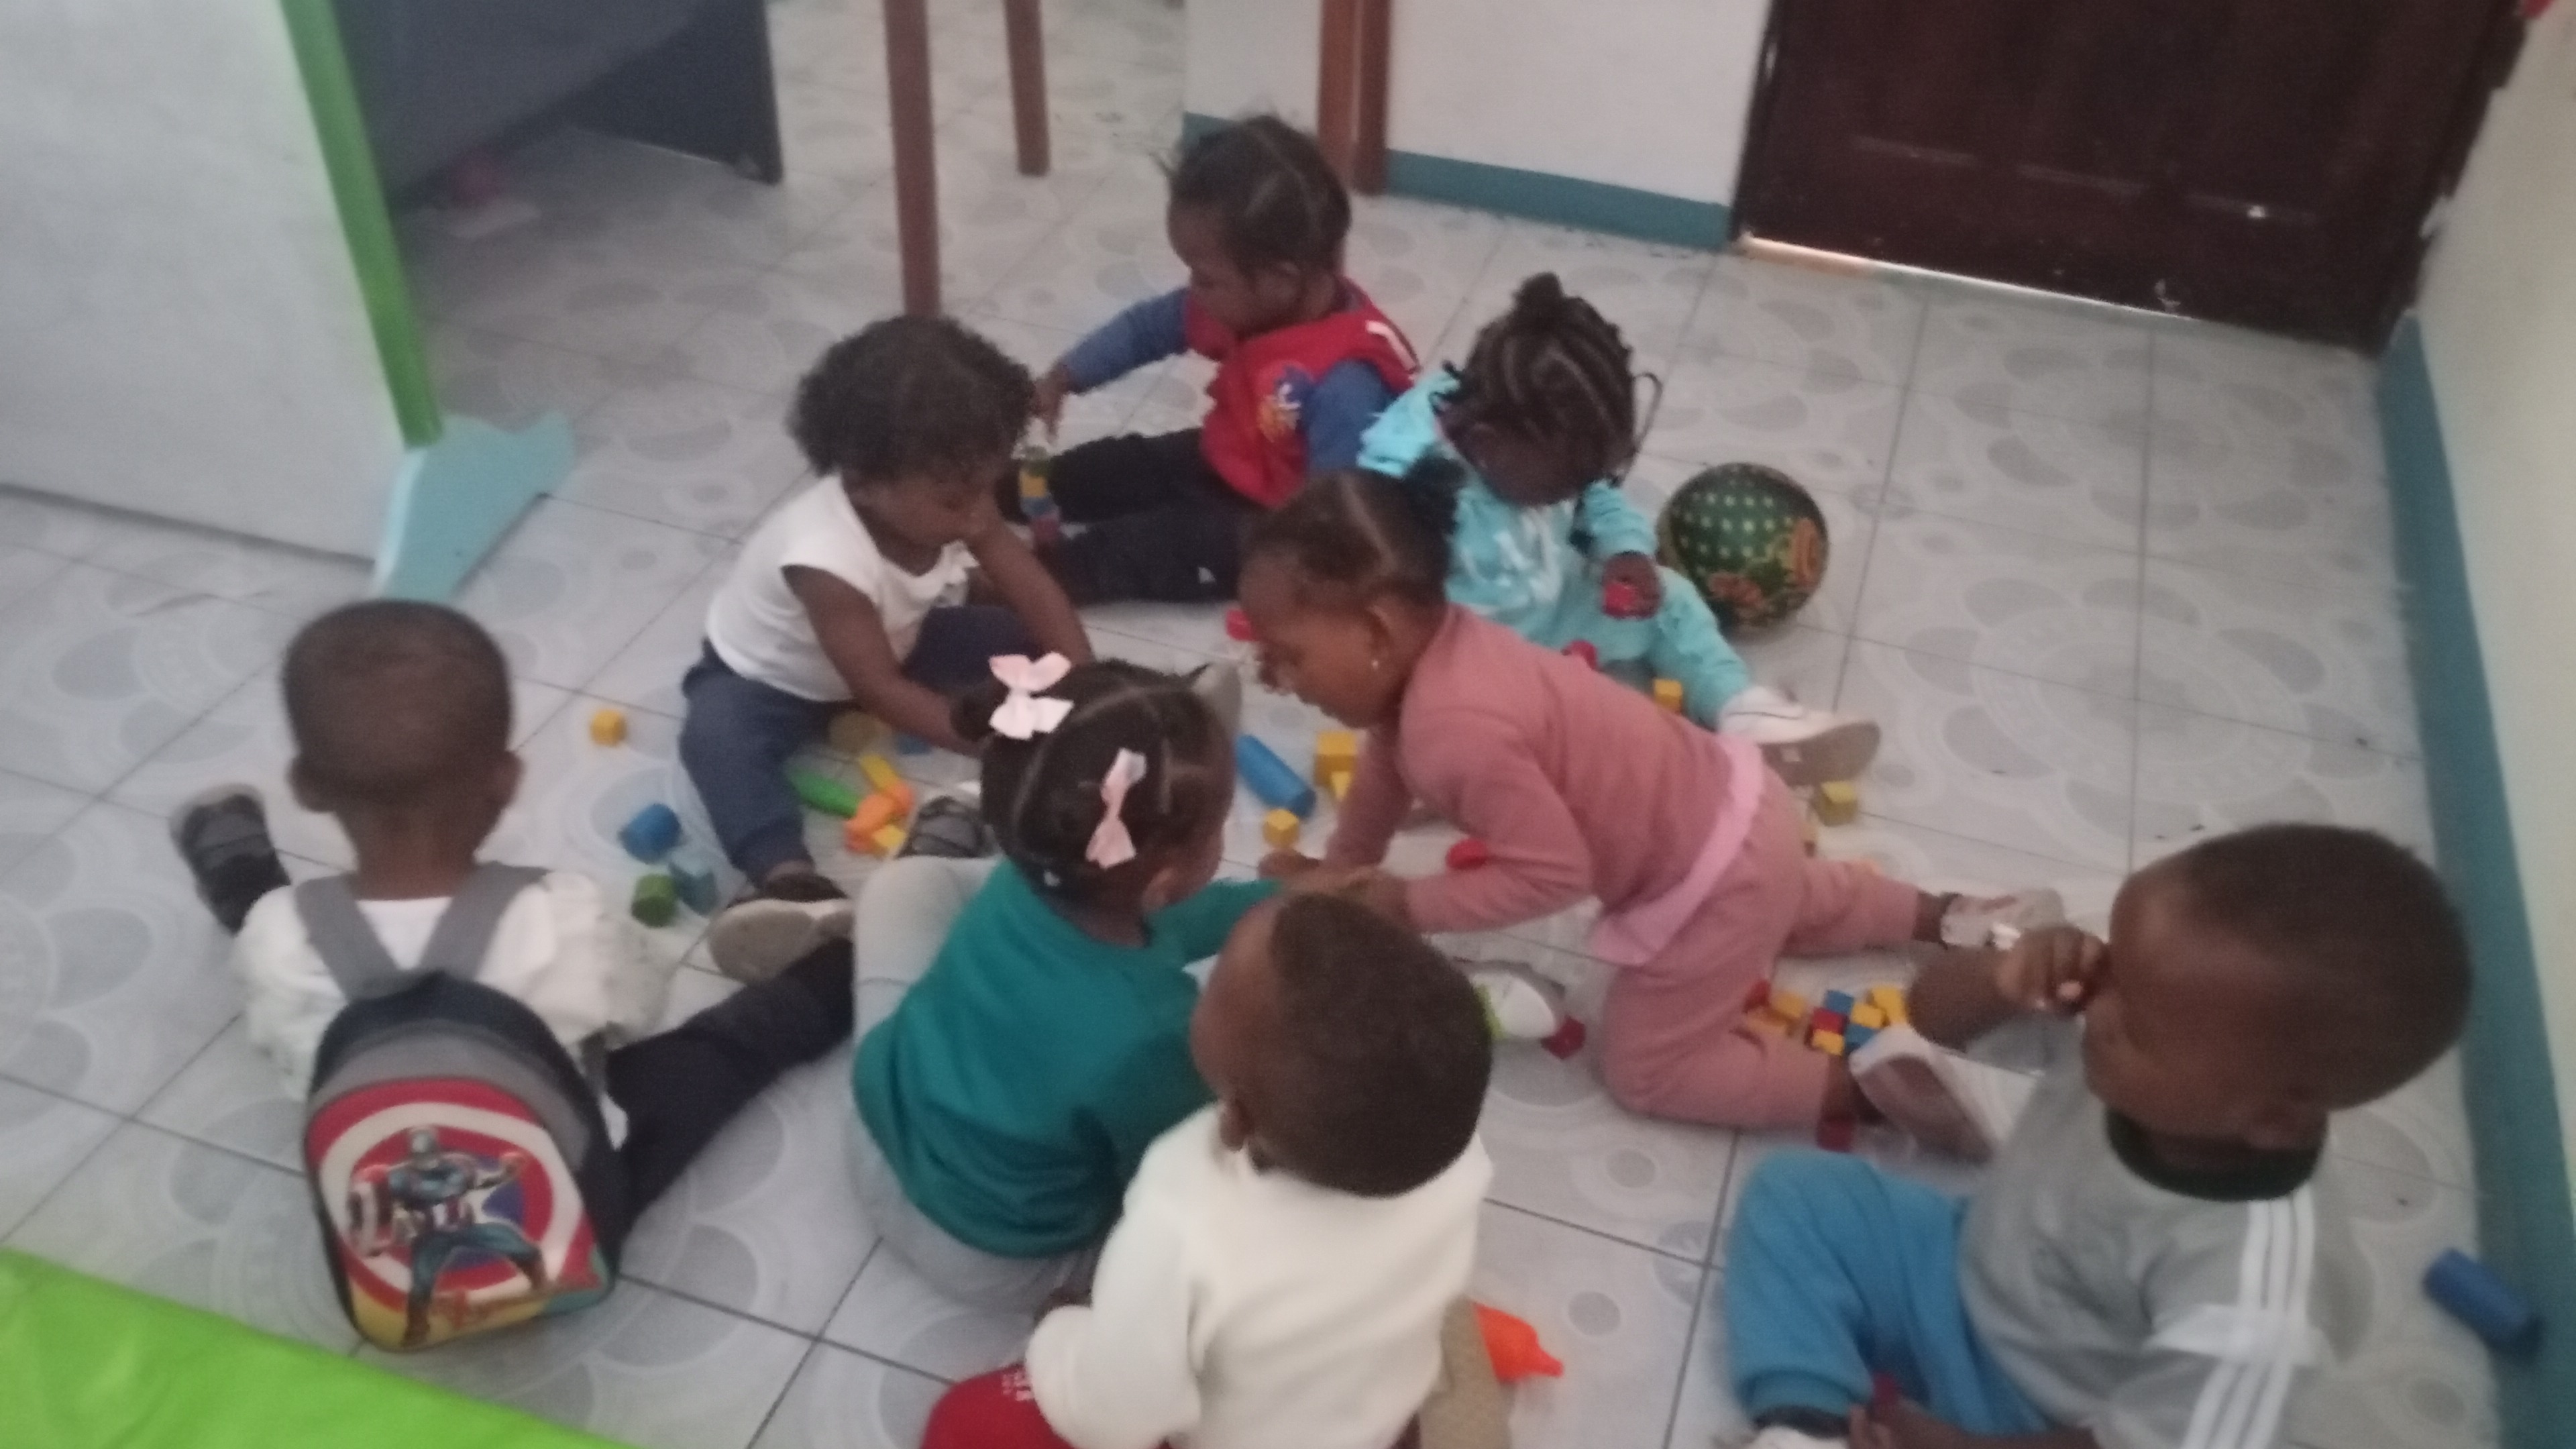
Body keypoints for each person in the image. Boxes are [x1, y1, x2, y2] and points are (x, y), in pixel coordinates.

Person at [1240, 469, 2059, 1135]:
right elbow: (1384, 770)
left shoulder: (1456, 729)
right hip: (1743, 807)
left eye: (1287, 655)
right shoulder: (1444, 651)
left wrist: (1408, 904)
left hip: (1707, 880)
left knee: (1646, 1069)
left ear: (1377, 632)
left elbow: (1553, 875)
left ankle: (1875, 1090)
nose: (1273, 680)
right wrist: (1339, 868)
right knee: (1791, 898)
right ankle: (1956, 918)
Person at [1720, 824, 2471, 1449]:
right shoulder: (2146, 1020)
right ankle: (1808, 1426)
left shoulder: (2260, 1299)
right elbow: (1930, 1016)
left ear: (2274, 1117)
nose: (2099, 1011)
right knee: (1800, 1195)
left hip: (2056, 1417)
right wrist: (2001, 979)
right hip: (1964, 1268)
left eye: (2137, 1026)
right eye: (2115, 968)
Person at [168, 600, 853, 1225]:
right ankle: (842, 970)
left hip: (389, 1232)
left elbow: (294, 1063)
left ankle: (242, 880)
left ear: (306, 789)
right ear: (507, 780)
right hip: (568, 1219)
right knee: (726, 1050)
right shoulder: (566, 917)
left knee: (278, 932)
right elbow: (640, 1012)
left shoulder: (277, 940)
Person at [920, 892, 1494, 1449]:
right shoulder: (1454, 1155)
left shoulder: (1182, 1222)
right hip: (1373, 1421)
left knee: (963, 1419)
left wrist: (1061, 1336)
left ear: (1237, 1118)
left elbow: (1113, 1421)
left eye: (1214, 984)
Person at [848, 657, 1277, 1309]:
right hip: (988, 1252)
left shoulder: (1026, 876)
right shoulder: (1155, 1031)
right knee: (1226, 1227)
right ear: (1164, 882)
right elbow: (1169, 1176)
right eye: (1217, 828)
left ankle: (953, 830)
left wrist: (1275, 899)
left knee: (904, 889)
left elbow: (1167, 922)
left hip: (878, 1136)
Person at [1357, 272, 1876, 786]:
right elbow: (1378, 613)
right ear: (1490, 445)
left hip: (1550, 615)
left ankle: (1743, 712)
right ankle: (1441, 767)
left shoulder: (1526, 438)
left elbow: (1597, 495)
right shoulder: (1406, 488)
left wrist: (1624, 549)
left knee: (1673, 600)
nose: (1576, 491)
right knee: (1499, 730)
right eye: (1564, 482)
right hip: (1459, 661)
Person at [680, 316, 1091, 954]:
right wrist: (1002, 748)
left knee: (1014, 631)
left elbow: (1032, 590)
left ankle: (1118, 697)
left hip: (899, 638)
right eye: (956, 498)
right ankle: (789, 880)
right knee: (715, 737)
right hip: (772, 681)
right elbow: (880, 691)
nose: (979, 510)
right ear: (863, 484)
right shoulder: (826, 556)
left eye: (986, 485)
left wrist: (1086, 681)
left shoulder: (952, 504)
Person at [1008, 115, 1419, 605]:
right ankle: (989, 492)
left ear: (1280, 279)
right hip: (1226, 456)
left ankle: (1025, 584)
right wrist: (1064, 376)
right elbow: (1147, 328)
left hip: (1275, 523)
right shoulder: (1249, 300)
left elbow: (1335, 520)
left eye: (1204, 277)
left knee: (1147, 546)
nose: (1193, 292)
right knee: (1115, 467)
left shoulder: (1346, 384)